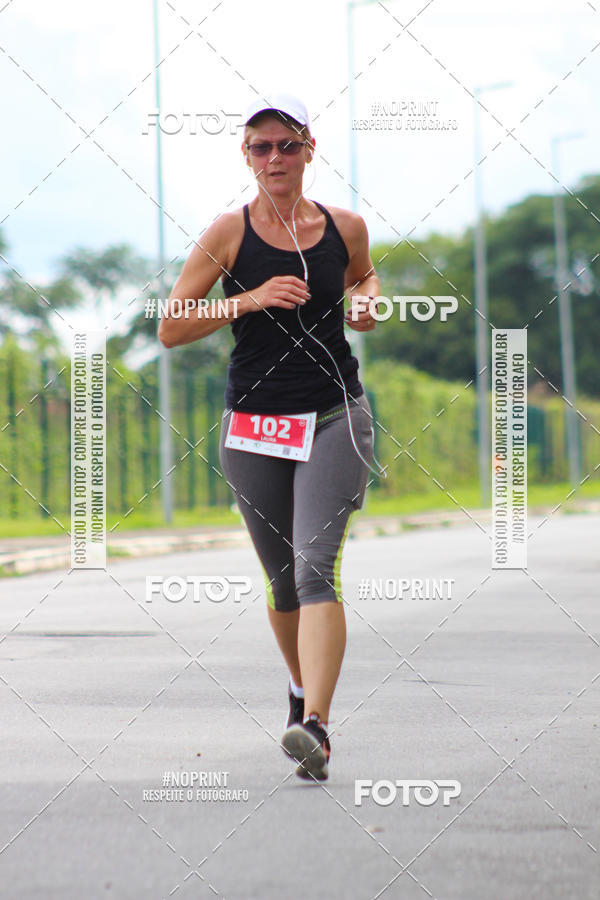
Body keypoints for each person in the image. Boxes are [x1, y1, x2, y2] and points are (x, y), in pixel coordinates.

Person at [159, 93, 381, 781]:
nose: (275, 158)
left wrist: (368, 297)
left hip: (334, 415)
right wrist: (248, 299)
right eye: (261, 147)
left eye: (288, 144)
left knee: (316, 566)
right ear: (247, 157)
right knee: (283, 580)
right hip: (254, 424)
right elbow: (171, 326)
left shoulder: (345, 226)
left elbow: (363, 274)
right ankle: (298, 688)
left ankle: (315, 722)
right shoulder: (228, 233)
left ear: (310, 149)